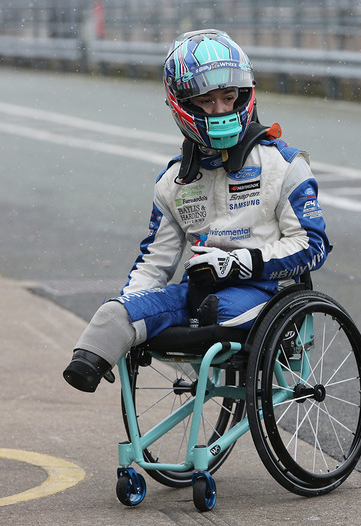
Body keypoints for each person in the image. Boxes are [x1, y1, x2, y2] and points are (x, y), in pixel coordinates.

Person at [63, 29, 330, 393]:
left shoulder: (284, 164)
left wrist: (240, 263)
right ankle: (89, 373)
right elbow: (155, 262)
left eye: (228, 96)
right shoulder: (173, 181)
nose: (220, 109)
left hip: (267, 291)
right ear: (182, 103)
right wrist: (135, 302)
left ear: (245, 94)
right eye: (205, 100)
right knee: (115, 313)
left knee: (215, 311)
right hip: (197, 294)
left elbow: (313, 246)